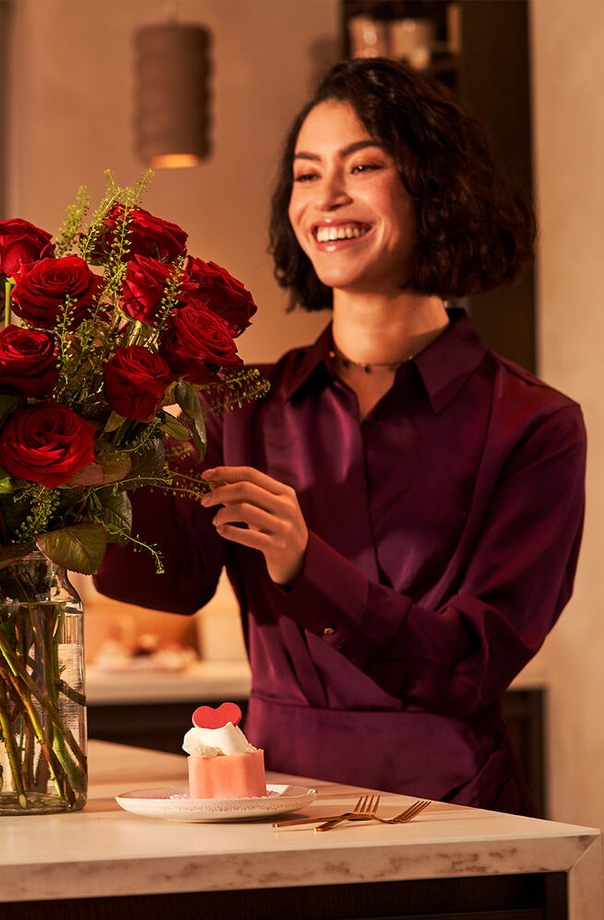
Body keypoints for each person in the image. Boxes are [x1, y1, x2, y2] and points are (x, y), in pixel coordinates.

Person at [93, 57, 586, 816]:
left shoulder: (537, 425)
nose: (327, 196)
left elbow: (471, 668)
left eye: (364, 165)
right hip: (266, 801)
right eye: (305, 172)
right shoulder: (233, 399)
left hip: (454, 809)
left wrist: (303, 564)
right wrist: (106, 427)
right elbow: (166, 581)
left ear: (437, 187)